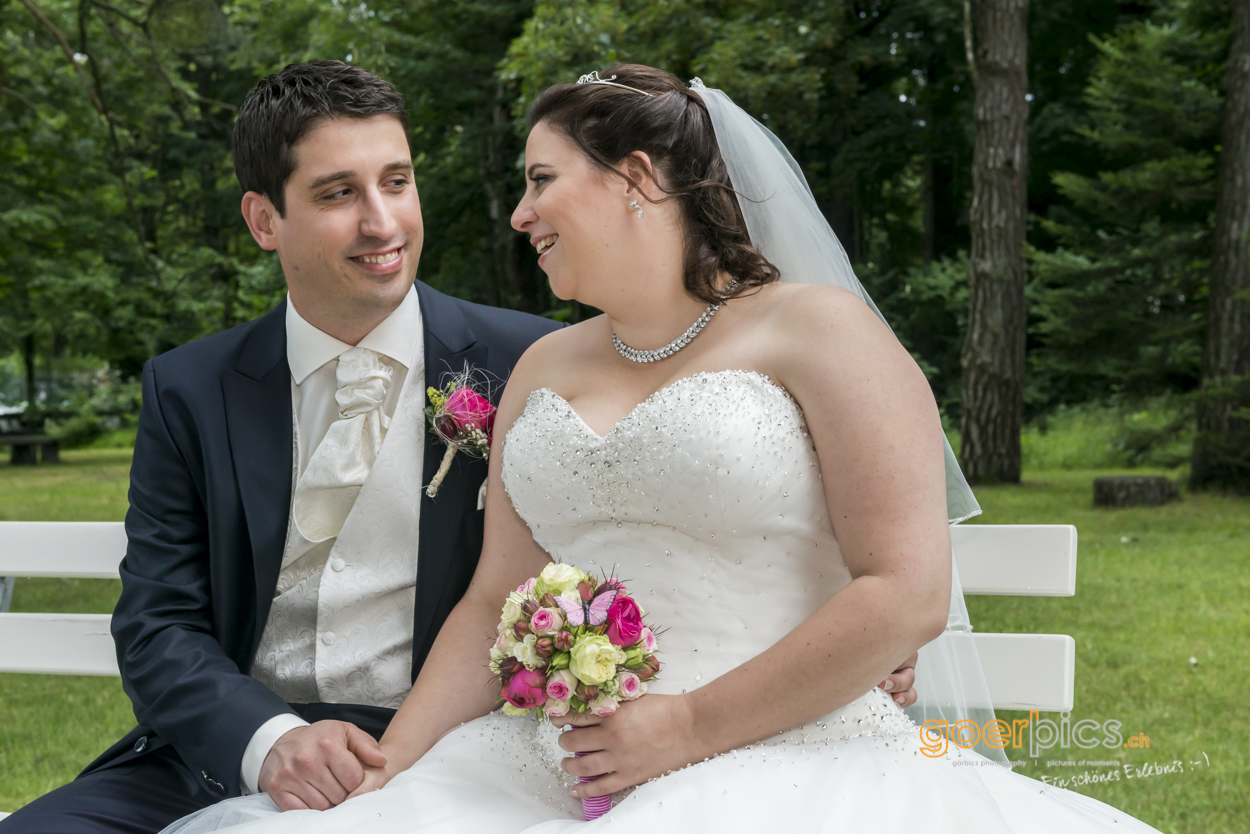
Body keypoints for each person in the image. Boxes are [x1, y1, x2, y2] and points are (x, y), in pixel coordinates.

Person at [155, 64, 1163, 834]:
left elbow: (902, 593)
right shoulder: (543, 369)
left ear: (636, 178)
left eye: (542, 179)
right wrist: (394, 769)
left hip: (787, 752)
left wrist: (679, 731)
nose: (520, 214)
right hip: (546, 762)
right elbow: (489, 607)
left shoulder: (817, 332)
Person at [0, 61, 921, 834]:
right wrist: (270, 741)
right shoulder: (190, 388)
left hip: (477, 740)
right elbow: (159, 622)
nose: (383, 222)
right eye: (336, 194)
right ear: (263, 220)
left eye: (396, 182)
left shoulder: (528, 357)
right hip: (246, 754)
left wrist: (839, 638)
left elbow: (841, 547)